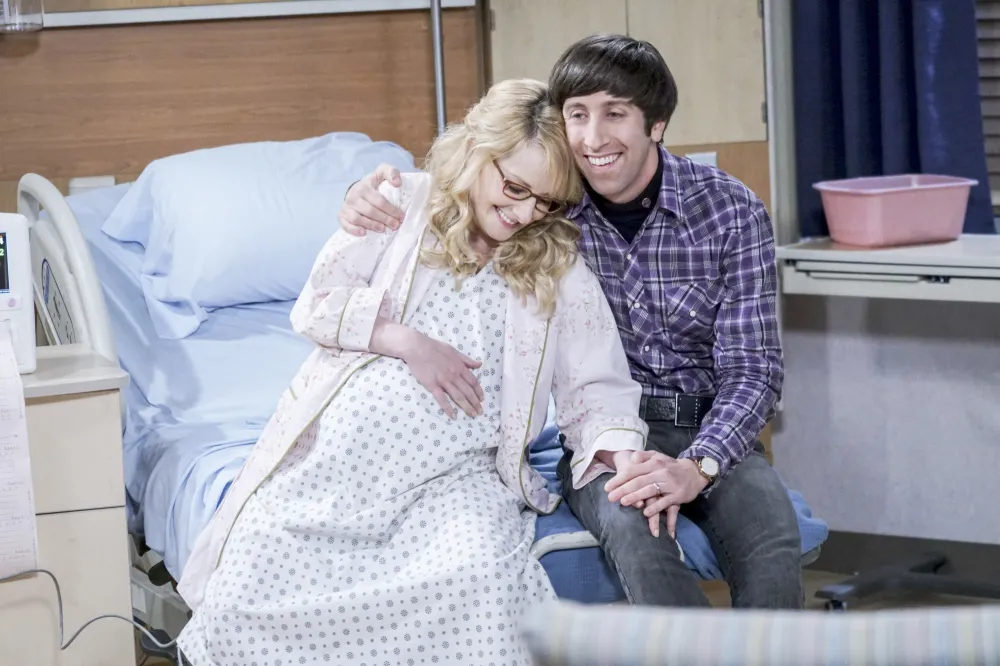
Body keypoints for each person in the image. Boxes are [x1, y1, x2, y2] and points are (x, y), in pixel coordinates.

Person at [174, 77, 648, 666]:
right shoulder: (400, 204)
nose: (526, 213)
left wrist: (618, 452)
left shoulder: (554, 262)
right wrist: (405, 341)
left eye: (547, 202)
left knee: (481, 574)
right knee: (244, 587)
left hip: (454, 482)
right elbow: (316, 306)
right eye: (515, 187)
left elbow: (595, 385)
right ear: (476, 151)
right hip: (337, 474)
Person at [337, 34, 804, 609]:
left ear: (656, 125)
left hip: (710, 424)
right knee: (639, 534)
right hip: (602, 434)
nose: (591, 138)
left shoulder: (729, 210)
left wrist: (697, 465)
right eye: (577, 115)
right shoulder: (548, 205)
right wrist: (365, 193)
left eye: (615, 114)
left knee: (771, 546)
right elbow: (458, 193)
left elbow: (755, 371)